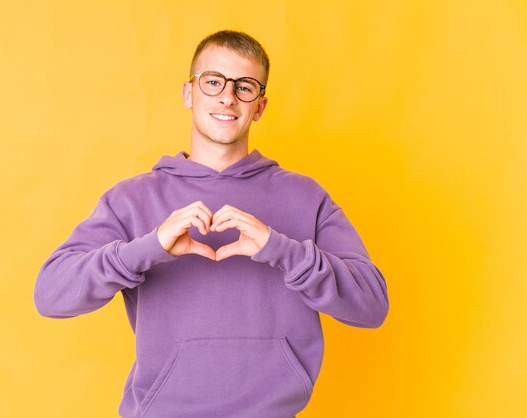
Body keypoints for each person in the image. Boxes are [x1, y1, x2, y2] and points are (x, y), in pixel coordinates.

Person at [34, 30, 389, 418]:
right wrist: (149, 248)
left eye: (245, 87)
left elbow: (371, 306)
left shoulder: (306, 197)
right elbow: (51, 295)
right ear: (189, 93)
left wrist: (282, 250)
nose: (227, 97)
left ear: (260, 106)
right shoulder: (131, 199)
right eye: (213, 81)